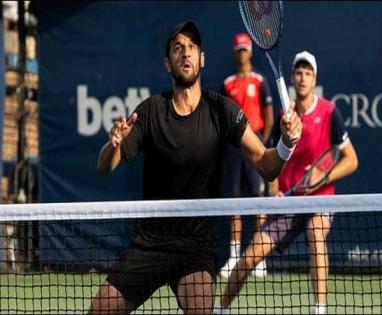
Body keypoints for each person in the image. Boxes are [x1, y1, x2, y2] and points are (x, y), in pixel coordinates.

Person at [88, 20, 302, 315]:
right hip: (149, 244)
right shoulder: (150, 110)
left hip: (196, 248)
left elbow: (267, 166)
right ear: (168, 63)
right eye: (178, 48)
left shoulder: (221, 110)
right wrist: (113, 144)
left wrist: (286, 145)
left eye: (191, 48)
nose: (185, 53)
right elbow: (104, 167)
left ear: (202, 58)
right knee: (98, 311)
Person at [216, 51, 359, 315]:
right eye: (299, 72)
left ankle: (319, 310)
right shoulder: (286, 116)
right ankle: (220, 309)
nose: (303, 77)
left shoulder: (329, 112)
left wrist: (323, 176)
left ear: (314, 78)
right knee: (249, 258)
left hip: (321, 199)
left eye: (308, 73)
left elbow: (351, 160)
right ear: (293, 78)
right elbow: (272, 162)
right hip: (290, 200)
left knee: (316, 235)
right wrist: (275, 191)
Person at [220, 33, 274, 279]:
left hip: (256, 146)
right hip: (234, 149)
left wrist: (261, 146)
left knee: (259, 202)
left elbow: (269, 116)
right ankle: (234, 257)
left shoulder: (260, 81)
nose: (242, 53)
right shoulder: (228, 83)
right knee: (235, 202)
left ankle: (258, 258)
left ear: (250, 52)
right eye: (239, 49)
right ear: (235, 52)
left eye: (245, 49)